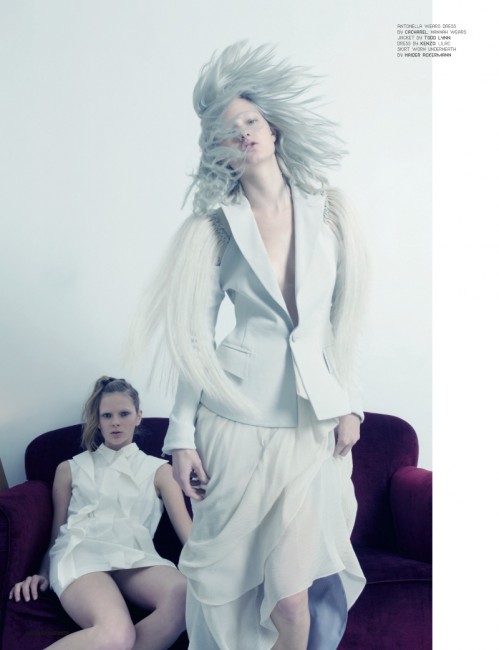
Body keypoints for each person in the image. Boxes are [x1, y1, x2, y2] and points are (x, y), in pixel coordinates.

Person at [140, 42, 368, 650]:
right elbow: (194, 340)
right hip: (236, 423)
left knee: (293, 603)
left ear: (273, 128)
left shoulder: (330, 213)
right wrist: (181, 437)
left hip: (308, 428)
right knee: (235, 592)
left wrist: (350, 402)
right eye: (228, 129)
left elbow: (341, 324)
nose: (243, 132)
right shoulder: (213, 228)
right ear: (217, 148)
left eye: (251, 120)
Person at [9, 376, 191, 650]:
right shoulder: (69, 468)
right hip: (81, 555)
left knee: (187, 594)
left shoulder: (160, 470)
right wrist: (42, 572)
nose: (115, 422)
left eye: (124, 414)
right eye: (107, 415)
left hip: (135, 557)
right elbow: (57, 533)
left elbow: (188, 534)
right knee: (116, 635)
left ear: (138, 416)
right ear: (98, 420)